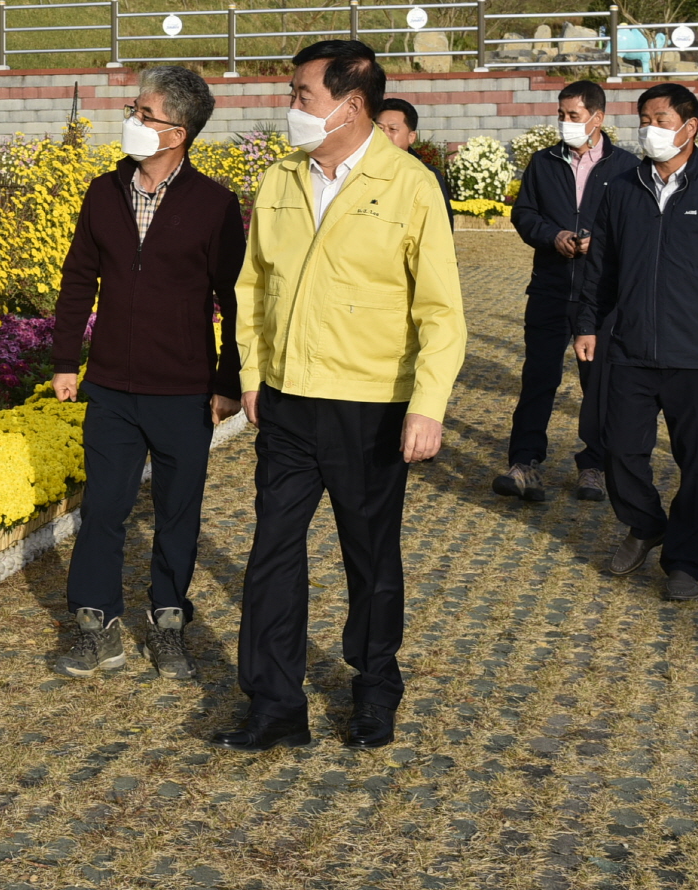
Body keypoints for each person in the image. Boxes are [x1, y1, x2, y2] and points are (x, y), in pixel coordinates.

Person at [215, 40, 465, 753]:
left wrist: (428, 404)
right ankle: (274, 706)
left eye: (302, 96)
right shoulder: (280, 181)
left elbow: (441, 311)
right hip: (289, 403)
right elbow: (252, 288)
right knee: (272, 555)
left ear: (352, 105)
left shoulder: (411, 187)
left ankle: (375, 688)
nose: (291, 107)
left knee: (371, 557)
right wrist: (253, 376)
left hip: (371, 406)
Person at [50, 65, 246, 677]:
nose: (133, 121)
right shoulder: (102, 192)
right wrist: (65, 361)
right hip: (110, 385)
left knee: (176, 511)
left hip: (184, 389)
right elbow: (79, 277)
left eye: (145, 113)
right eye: (135, 109)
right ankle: (94, 621)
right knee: (103, 508)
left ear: (177, 133)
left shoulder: (214, 205)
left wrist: (229, 381)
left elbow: (236, 297)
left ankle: (168, 620)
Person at [574, 83, 698, 601]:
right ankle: (645, 524)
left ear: (690, 126)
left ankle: (685, 562)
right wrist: (587, 324)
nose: (650, 129)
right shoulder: (620, 188)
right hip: (630, 349)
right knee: (617, 450)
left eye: (661, 119)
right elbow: (600, 269)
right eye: (644, 119)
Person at [499, 80, 637, 505]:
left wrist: (602, 243)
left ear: (597, 118)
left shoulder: (627, 167)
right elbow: (524, 213)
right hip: (550, 288)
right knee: (538, 377)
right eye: (561, 114)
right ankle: (524, 462)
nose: (565, 123)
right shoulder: (543, 163)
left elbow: (637, 227)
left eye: (573, 116)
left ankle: (594, 465)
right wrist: (552, 235)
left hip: (600, 296)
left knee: (597, 384)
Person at [377, 96, 454, 226]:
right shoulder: (359, 168)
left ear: (411, 137)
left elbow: (441, 226)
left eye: (392, 129)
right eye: (379, 129)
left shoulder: (427, 175)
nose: (384, 135)